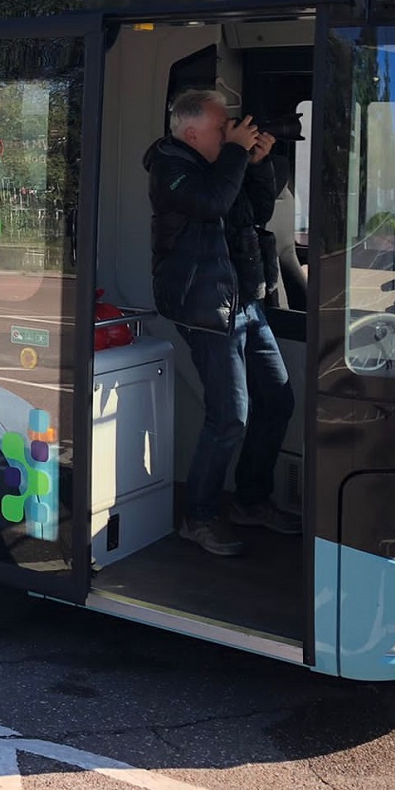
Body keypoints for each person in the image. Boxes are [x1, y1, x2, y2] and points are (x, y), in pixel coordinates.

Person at [144, 88, 301, 557]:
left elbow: (256, 212)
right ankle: (200, 515)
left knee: (276, 400)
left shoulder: (220, 165)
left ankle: (251, 502)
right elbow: (211, 203)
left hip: (243, 303)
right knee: (229, 417)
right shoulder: (169, 168)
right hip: (205, 309)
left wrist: (255, 164)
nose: (230, 132)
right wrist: (234, 153)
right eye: (221, 127)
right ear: (192, 133)